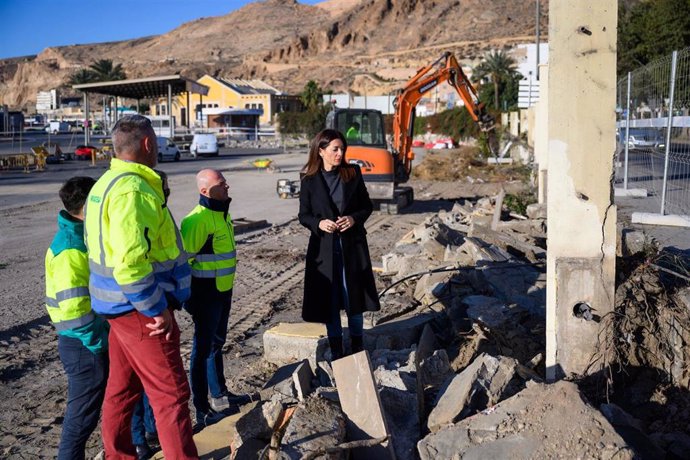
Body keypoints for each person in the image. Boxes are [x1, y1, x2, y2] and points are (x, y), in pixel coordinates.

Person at [84, 114, 198, 459]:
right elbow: (130, 267)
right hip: (140, 311)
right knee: (171, 395)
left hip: (117, 310)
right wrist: (155, 309)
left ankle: (118, 454)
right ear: (148, 144)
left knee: (122, 390)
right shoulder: (134, 191)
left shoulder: (105, 184)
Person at [298, 129, 380, 359]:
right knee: (330, 301)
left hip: (352, 248)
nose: (340, 153)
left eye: (342, 149)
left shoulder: (352, 172)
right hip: (324, 250)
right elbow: (304, 215)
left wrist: (354, 218)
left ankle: (357, 346)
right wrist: (319, 223)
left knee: (353, 297)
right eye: (335, 149)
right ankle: (336, 351)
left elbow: (367, 206)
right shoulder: (308, 179)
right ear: (321, 150)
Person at [45, 176, 108, 460]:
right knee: (81, 419)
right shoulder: (71, 247)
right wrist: (98, 341)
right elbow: (74, 310)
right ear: (86, 205)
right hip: (83, 345)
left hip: (85, 341)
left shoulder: (80, 237)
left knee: (85, 415)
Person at [181, 168, 245, 426]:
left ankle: (220, 395)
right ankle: (201, 408)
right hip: (205, 296)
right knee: (202, 349)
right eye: (221, 183)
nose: (227, 186)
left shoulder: (221, 214)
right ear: (205, 191)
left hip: (222, 291)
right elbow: (183, 264)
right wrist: (190, 300)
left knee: (217, 344)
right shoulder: (197, 220)